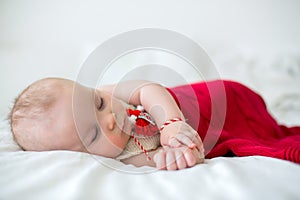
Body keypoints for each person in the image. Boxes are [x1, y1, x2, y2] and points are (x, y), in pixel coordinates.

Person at [9, 78, 300, 171]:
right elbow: (170, 157)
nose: (110, 118)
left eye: (98, 104)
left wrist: (171, 123)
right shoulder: (127, 160)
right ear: (81, 156)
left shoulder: (110, 91)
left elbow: (148, 89)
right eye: (93, 133)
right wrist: (173, 154)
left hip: (217, 99)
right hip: (209, 130)